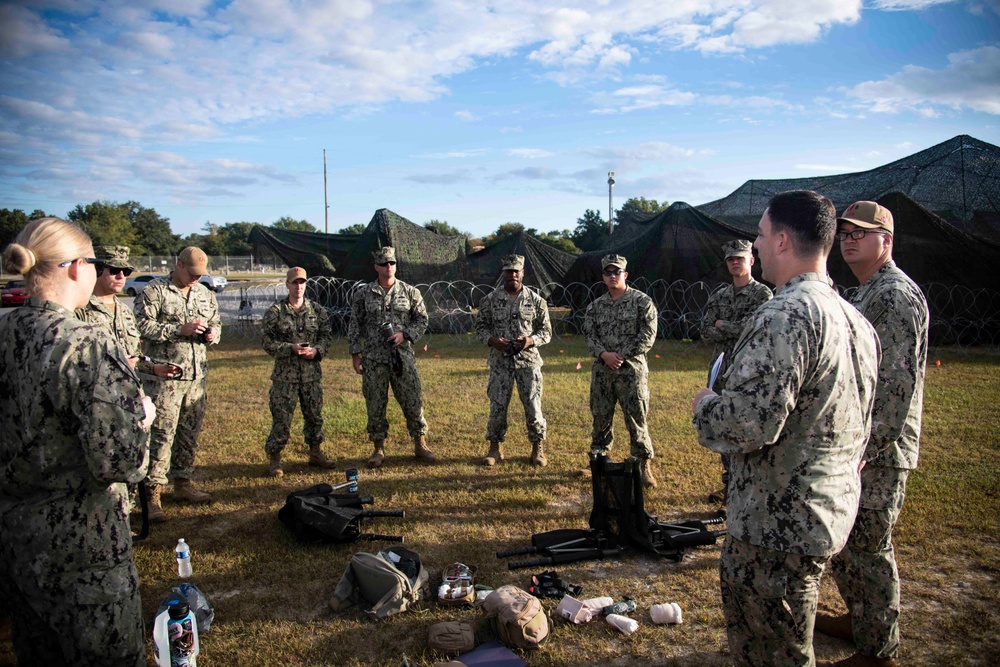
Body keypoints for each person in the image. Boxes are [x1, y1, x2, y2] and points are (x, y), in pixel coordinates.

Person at [690, 190, 880, 667]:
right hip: (826, 512)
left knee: (773, 653)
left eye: (757, 235)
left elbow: (747, 425)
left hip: (775, 527)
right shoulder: (855, 318)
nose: (752, 247)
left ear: (779, 241)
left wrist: (706, 405)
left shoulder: (784, 315)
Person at [0, 217, 154, 666]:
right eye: (95, 263)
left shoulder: (7, 332)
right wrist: (140, 418)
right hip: (83, 543)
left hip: (16, 537)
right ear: (74, 267)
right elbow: (121, 463)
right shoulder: (84, 343)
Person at [814, 202, 929, 667]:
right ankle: (861, 620)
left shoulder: (894, 295)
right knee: (848, 542)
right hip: (856, 445)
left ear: (887, 241)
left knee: (869, 546)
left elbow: (896, 387)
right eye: (843, 231)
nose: (848, 239)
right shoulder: (866, 293)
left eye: (861, 232)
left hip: (879, 450)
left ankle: (879, 651)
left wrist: (865, 449)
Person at [134, 246, 221, 522]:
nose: (196, 278)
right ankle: (152, 494)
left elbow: (216, 322)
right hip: (165, 379)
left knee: (188, 434)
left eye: (200, 274)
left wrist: (212, 335)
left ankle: (183, 483)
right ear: (178, 265)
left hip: (196, 379)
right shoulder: (155, 291)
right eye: (192, 273)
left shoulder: (204, 293)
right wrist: (176, 330)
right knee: (161, 435)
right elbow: (139, 325)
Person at [348, 246, 437, 468]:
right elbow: (354, 324)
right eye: (385, 263)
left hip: (402, 357)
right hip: (374, 358)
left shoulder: (409, 292)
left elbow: (422, 319)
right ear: (376, 266)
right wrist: (355, 354)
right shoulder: (363, 293)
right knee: (376, 403)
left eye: (392, 263)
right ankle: (378, 448)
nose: (389, 267)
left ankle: (420, 443)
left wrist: (404, 334)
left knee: (412, 400)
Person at [699, 239, 773, 505]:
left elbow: (753, 328)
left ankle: (747, 486)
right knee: (722, 426)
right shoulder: (719, 296)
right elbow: (705, 330)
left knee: (745, 427)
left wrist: (723, 324)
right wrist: (731, 326)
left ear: (751, 261)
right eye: (730, 259)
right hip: (721, 370)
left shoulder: (762, 295)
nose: (734, 263)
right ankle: (730, 484)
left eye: (740, 258)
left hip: (748, 370)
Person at [582, 253, 659, 487]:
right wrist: (604, 355)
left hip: (631, 372)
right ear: (603, 276)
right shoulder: (596, 306)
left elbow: (648, 335)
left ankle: (643, 464)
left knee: (636, 418)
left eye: (617, 272)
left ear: (625, 275)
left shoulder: (642, 302)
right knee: (601, 417)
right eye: (608, 272)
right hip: (603, 372)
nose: (613, 276)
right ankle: (599, 460)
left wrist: (621, 355)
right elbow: (588, 334)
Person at [474, 253, 553, 466]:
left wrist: (530, 340)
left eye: (517, 271)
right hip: (500, 363)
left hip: (528, 362)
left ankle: (538, 448)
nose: (513, 275)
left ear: (523, 273)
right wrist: (491, 340)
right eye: (509, 271)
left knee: (533, 406)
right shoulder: (490, 300)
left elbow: (546, 332)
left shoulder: (537, 301)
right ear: (503, 273)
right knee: (497, 406)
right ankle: (495, 448)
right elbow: (480, 327)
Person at [261, 266, 336, 477]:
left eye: (302, 282)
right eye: (294, 282)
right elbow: (266, 341)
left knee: (314, 415)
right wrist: (289, 348)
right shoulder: (276, 312)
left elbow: (327, 336)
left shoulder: (317, 311)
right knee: (282, 417)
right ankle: (275, 458)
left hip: (311, 374)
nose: (298, 286)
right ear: (287, 284)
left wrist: (317, 350)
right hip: (285, 376)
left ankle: (315, 452)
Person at [77, 245, 180, 380]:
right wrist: (114, 365)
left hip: (127, 395)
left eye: (125, 271)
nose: (121, 276)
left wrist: (154, 368)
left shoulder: (125, 312)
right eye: (114, 270)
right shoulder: (80, 309)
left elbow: (133, 357)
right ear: (97, 270)